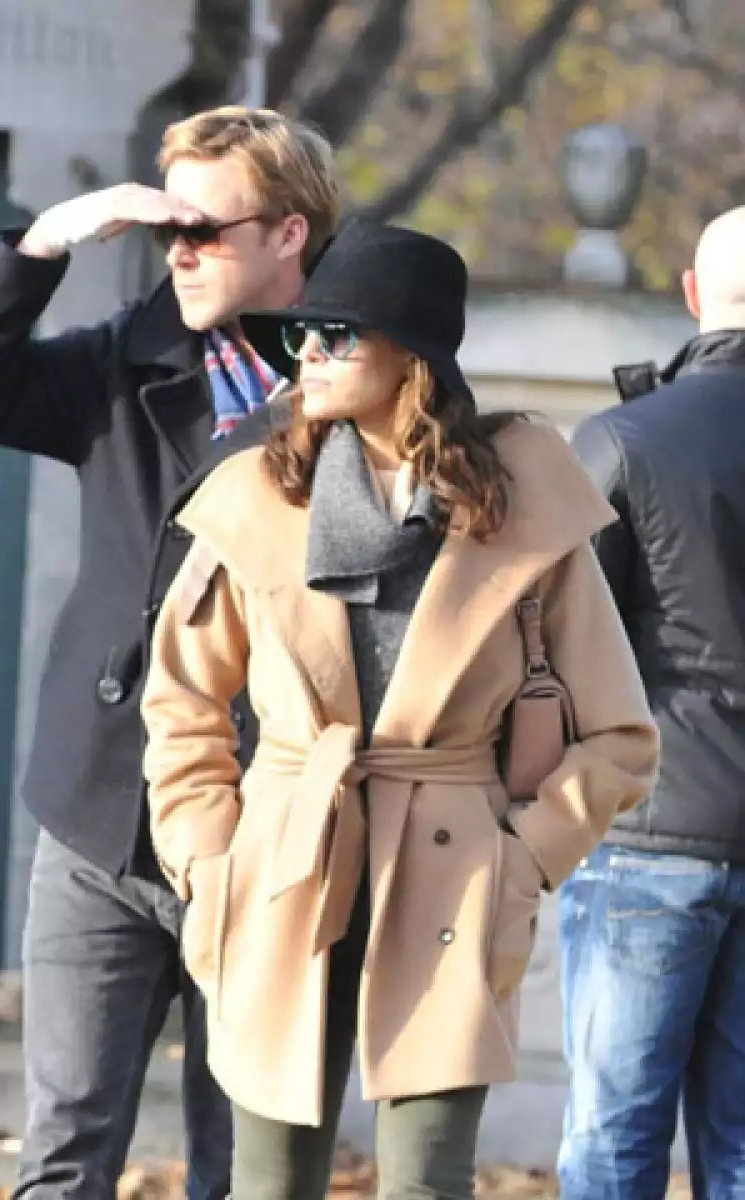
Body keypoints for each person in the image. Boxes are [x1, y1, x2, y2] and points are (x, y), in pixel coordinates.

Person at [140, 218, 660, 1200]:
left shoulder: (521, 507)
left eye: (338, 334)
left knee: (426, 1180)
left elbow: (621, 736)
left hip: (454, 870)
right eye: (301, 336)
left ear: (410, 354)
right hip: (287, 856)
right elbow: (182, 699)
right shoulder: (255, 496)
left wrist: (523, 857)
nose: (312, 357)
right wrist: (207, 854)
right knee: (268, 1182)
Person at [0, 107, 340, 1199]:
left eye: (203, 229)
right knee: (63, 1152)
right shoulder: (121, 365)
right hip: (102, 808)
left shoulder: (364, 383)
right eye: (164, 233)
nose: (178, 252)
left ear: (289, 234)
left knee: (247, 1168)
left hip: (271, 826)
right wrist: (47, 240)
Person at [558, 205, 745, 1199]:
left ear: (690, 294)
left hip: (648, 825)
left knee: (612, 1140)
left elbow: (560, 639)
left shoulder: (622, 439)